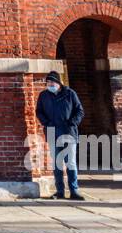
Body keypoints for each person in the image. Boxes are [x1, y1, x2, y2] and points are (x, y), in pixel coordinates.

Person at [35, 70, 85, 201]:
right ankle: (60, 191)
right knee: (57, 164)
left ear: (58, 82)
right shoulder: (44, 95)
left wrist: (72, 123)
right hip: (53, 133)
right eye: (48, 82)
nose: (50, 84)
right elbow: (39, 111)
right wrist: (47, 123)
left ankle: (74, 190)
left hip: (68, 133)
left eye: (52, 82)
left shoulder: (70, 94)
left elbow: (79, 111)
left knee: (71, 163)